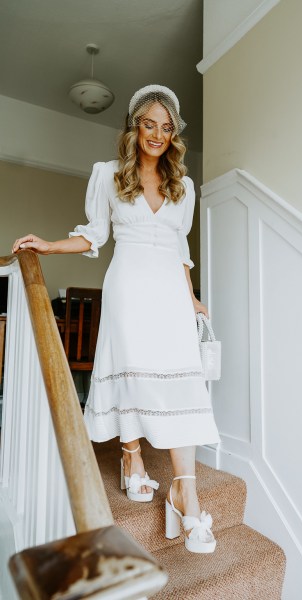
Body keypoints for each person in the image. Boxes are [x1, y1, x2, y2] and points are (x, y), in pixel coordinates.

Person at [13, 84, 220, 554]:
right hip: (128, 287)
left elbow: (180, 250)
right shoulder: (108, 175)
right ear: (133, 126)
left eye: (167, 128)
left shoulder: (182, 186)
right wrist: (47, 245)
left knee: (180, 383)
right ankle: (131, 458)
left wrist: (191, 300)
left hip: (169, 292)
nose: (158, 134)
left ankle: (186, 493)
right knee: (129, 373)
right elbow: (93, 237)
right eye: (149, 124)